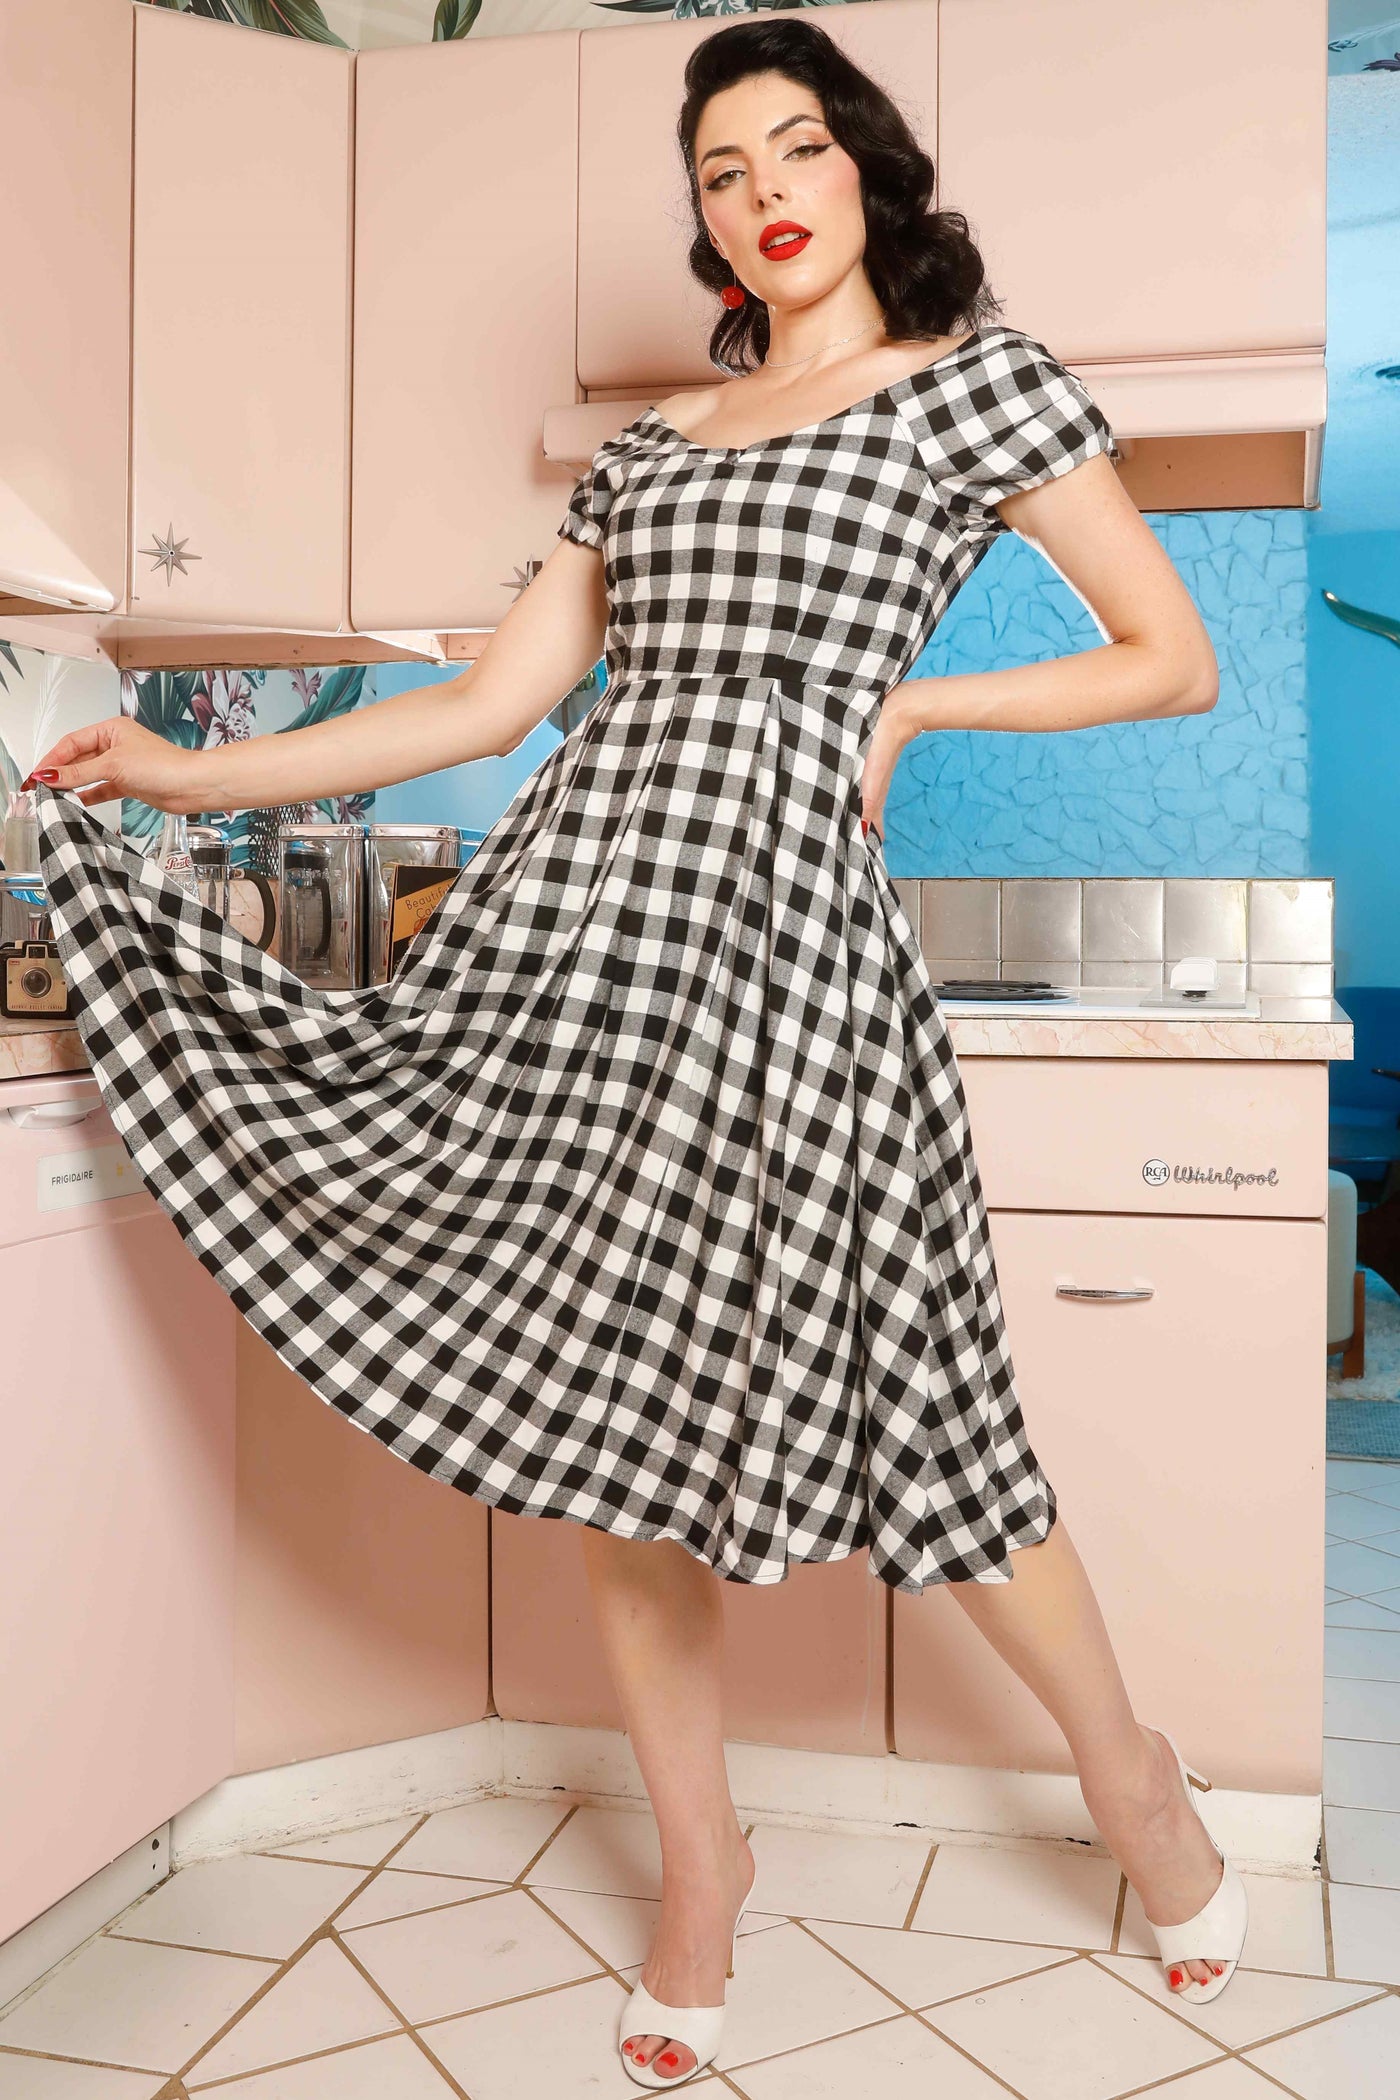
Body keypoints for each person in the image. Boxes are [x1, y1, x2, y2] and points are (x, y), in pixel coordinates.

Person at [29, 16, 1248, 2088]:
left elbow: (1170, 654)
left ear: (865, 170)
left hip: (793, 964)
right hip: (579, 944)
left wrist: (921, 713)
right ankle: (702, 1865)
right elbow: (480, 715)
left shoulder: (976, 387)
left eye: (795, 147)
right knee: (610, 1412)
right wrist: (178, 777)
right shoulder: (657, 440)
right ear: (702, 216)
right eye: (716, 169)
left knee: (928, 1402)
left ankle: (1126, 1772)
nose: (761, 190)